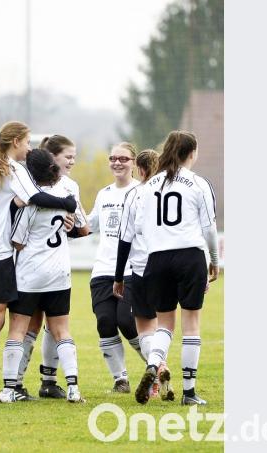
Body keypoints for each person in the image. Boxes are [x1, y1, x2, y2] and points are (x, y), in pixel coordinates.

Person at [0, 121, 77, 405]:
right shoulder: (13, 169)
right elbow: (36, 196)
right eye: (26, 143)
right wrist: (68, 204)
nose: (29, 148)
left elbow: (8, 207)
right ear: (15, 143)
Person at [114, 131, 218, 406]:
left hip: (156, 259)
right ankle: (189, 392)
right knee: (191, 323)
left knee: (165, 325)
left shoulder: (147, 187)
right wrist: (214, 262)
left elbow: (139, 230)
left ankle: (154, 362)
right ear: (191, 153)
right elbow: (209, 230)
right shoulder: (198, 183)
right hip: (190, 255)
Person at [0, 148, 89, 403]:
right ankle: (73, 388)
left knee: (18, 330)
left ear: (31, 174)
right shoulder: (67, 194)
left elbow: (17, 241)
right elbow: (83, 226)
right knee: (62, 330)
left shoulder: (31, 203)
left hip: (31, 273)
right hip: (60, 273)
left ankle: (8, 390)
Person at [112, 149, 169, 399]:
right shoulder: (170, 190)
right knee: (165, 326)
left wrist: (118, 277)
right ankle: (163, 376)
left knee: (146, 328)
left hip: (141, 269)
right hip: (169, 267)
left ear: (141, 170)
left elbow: (124, 239)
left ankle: (158, 368)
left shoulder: (134, 194)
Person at [86, 142, 142, 393]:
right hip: (102, 270)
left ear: (134, 162)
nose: (117, 163)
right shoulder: (104, 193)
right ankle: (121, 380)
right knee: (105, 322)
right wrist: (69, 220)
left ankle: (157, 368)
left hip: (132, 270)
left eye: (123, 158)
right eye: (113, 158)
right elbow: (91, 224)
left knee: (128, 321)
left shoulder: (143, 191)